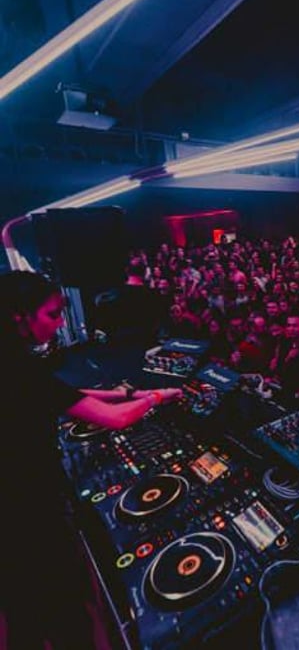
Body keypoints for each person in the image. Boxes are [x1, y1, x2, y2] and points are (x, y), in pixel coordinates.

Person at [0, 271, 182, 650]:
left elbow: (63, 392)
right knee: (57, 612)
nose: (60, 323)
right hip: (26, 507)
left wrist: (127, 391)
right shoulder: (19, 368)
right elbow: (114, 421)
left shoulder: (16, 362)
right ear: (19, 316)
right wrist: (157, 398)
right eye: (52, 314)